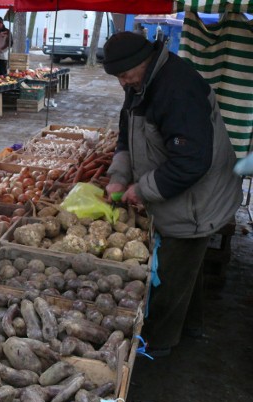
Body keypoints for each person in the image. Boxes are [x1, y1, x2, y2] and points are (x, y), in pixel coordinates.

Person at [102, 32, 242, 356]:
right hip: (182, 192)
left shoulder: (178, 89)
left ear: (142, 62)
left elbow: (192, 161)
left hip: (197, 200)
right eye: (118, 77)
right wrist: (118, 178)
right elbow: (127, 137)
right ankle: (192, 328)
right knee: (184, 268)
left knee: (170, 271)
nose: (122, 83)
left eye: (124, 74)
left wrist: (143, 188)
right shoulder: (139, 85)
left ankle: (159, 347)